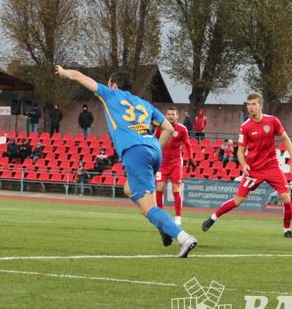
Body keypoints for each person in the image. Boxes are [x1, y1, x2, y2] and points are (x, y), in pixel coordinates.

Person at [55, 65, 198, 257]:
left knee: (148, 207)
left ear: (113, 85)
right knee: (129, 189)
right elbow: (169, 129)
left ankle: (184, 238)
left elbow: (80, 77)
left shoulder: (111, 95)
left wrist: (65, 72)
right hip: (153, 150)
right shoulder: (145, 104)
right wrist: (154, 147)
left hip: (135, 152)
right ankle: (164, 227)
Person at [201, 92, 292, 238]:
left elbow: (285, 138)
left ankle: (287, 230)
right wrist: (244, 164)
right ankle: (213, 217)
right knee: (238, 200)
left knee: (286, 198)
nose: (250, 107)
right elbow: (240, 151)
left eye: (254, 104)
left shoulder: (273, 121)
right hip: (253, 170)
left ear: (260, 105)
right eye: (248, 104)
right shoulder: (245, 127)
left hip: (272, 167)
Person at [154, 107, 193, 226]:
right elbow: (154, 142)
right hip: (162, 163)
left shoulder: (182, 129)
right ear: (165, 116)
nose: (170, 116)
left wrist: (190, 158)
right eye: (168, 114)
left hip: (176, 163)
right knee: (159, 189)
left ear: (177, 116)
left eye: (173, 114)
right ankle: (160, 215)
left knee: (175, 189)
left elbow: (187, 144)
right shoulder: (160, 128)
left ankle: (178, 217)